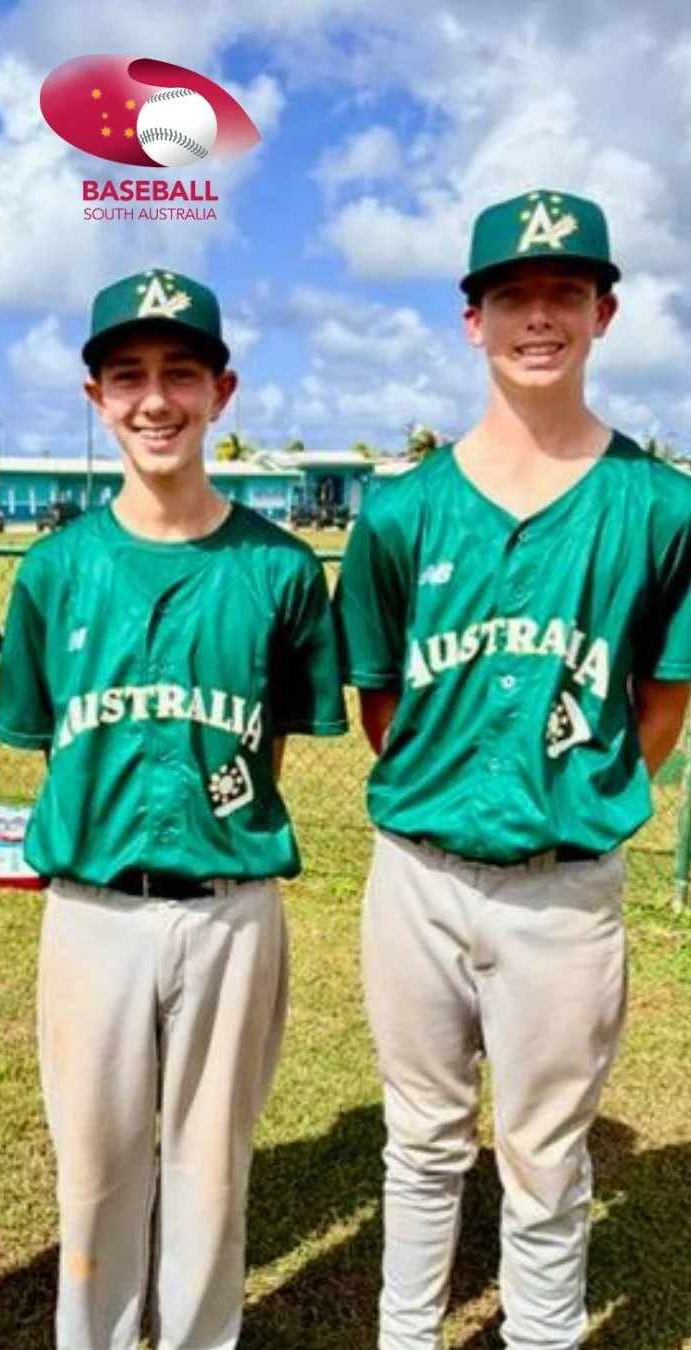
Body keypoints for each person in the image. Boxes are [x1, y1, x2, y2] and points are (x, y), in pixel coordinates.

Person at [334, 188, 691, 1348]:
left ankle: (541, 1335)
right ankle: (405, 1333)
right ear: (471, 318)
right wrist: (448, 797)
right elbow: (382, 699)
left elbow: (663, 698)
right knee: (423, 1137)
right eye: (513, 296)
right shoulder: (402, 512)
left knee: (546, 1150)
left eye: (564, 293)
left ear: (605, 311)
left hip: (565, 885)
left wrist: (569, 803)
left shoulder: (659, 505)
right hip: (419, 874)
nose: (539, 317)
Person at [0, 266, 347, 1350]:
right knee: (96, 1178)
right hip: (91, 909)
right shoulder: (55, 569)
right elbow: (49, 737)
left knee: (210, 1176)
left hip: (232, 905)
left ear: (221, 393)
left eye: (180, 374)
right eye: (128, 375)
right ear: (95, 397)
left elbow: (270, 740)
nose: (155, 399)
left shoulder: (281, 569)